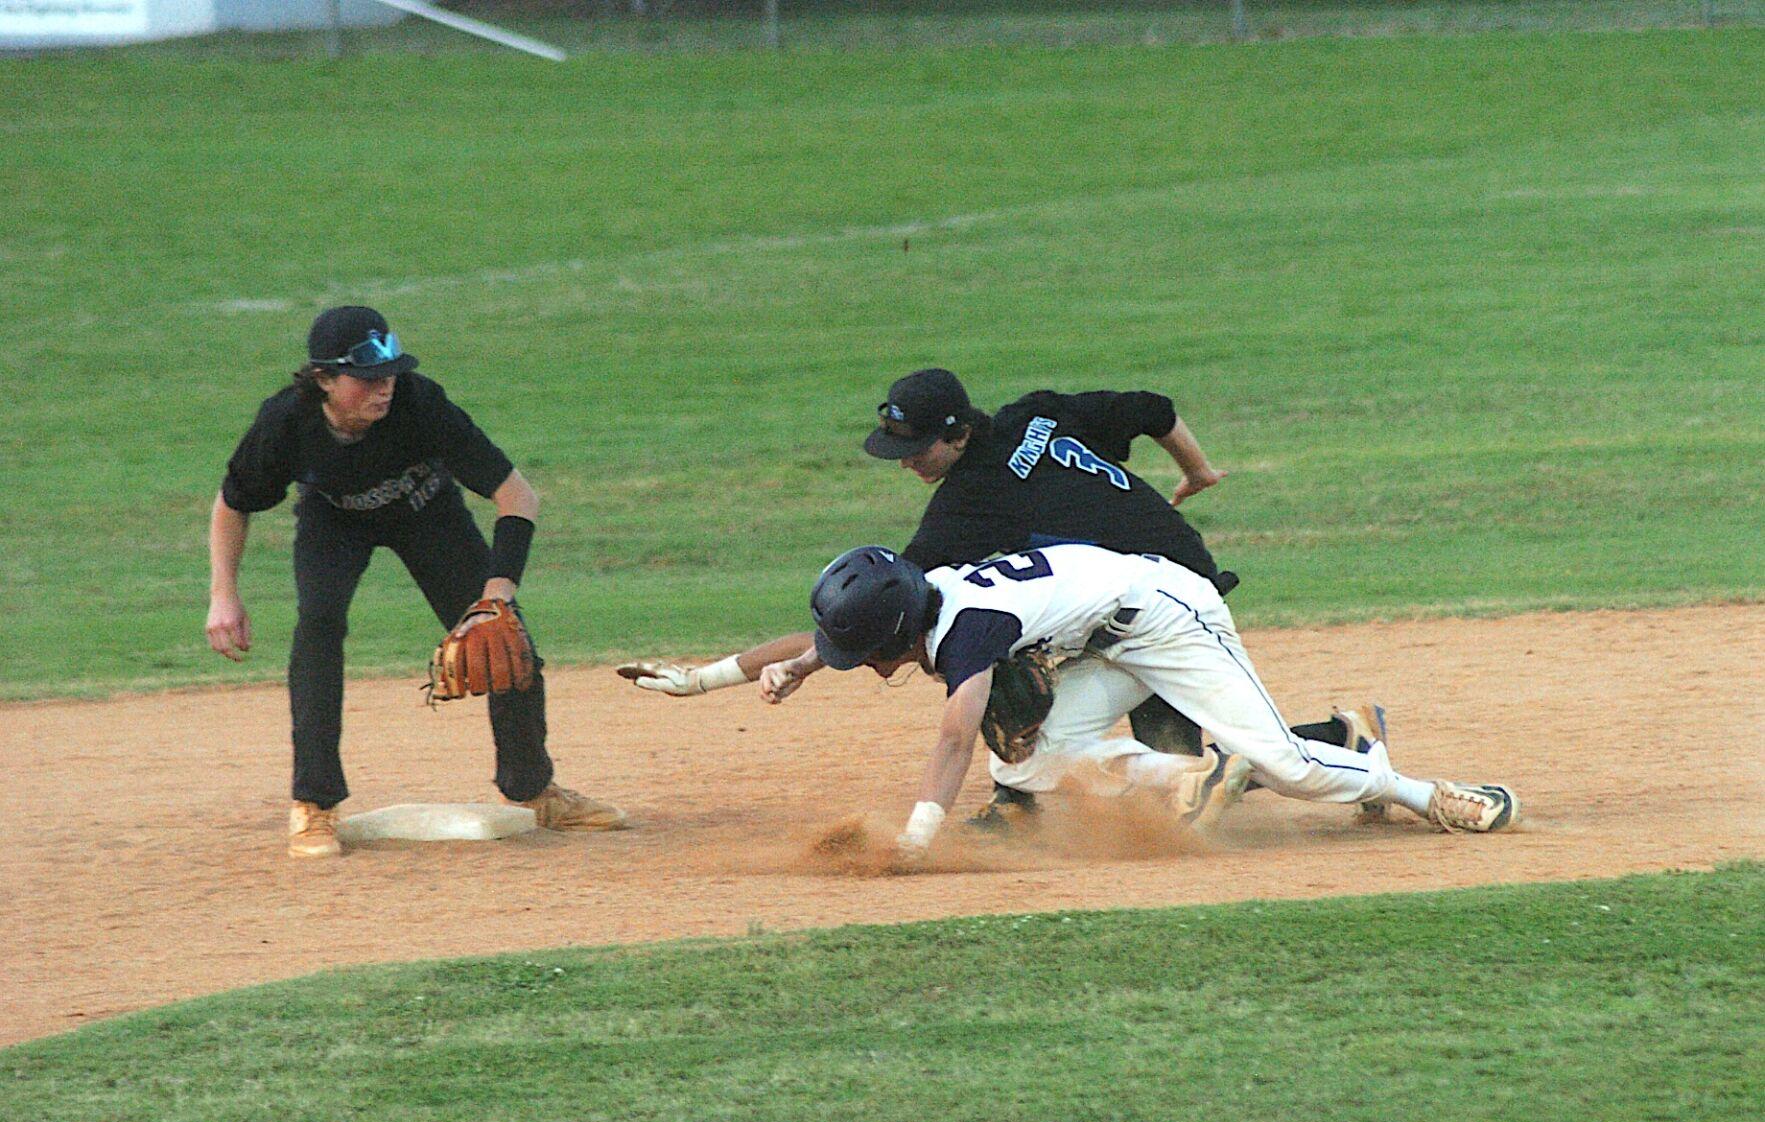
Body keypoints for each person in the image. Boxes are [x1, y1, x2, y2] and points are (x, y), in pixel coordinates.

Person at [621, 368, 1382, 821]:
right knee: (1147, 748)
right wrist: (1197, 472)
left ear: (955, 435)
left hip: (1157, 607)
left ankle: (1341, 742)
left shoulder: (966, 504)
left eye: (915, 448)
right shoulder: (1036, 413)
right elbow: (1151, 408)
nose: (905, 463)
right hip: (1166, 580)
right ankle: (1021, 802)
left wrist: (728, 675)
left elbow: (883, 612)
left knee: (1177, 774)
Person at [767, 544, 1517, 863]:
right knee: (1024, 763)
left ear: (898, 633)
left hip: (1169, 620)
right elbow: (869, 631)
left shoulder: (967, 633)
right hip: (1107, 640)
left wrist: (915, 841)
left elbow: (953, 741)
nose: (866, 667)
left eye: (864, 655)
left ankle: (1425, 793)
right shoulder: (930, 591)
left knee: (1287, 767)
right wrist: (802, 664)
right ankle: (1193, 775)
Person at [205, 306, 627, 858]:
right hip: (334, 521)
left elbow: (518, 496)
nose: (384, 387)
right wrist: (224, 594)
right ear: (324, 379)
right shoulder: (286, 422)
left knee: (505, 637)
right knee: (318, 628)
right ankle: (314, 804)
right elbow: (233, 503)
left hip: (428, 512)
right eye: (367, 378)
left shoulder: (420, 403)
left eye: (390, 374)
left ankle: (534, 790)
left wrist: (497, 595)